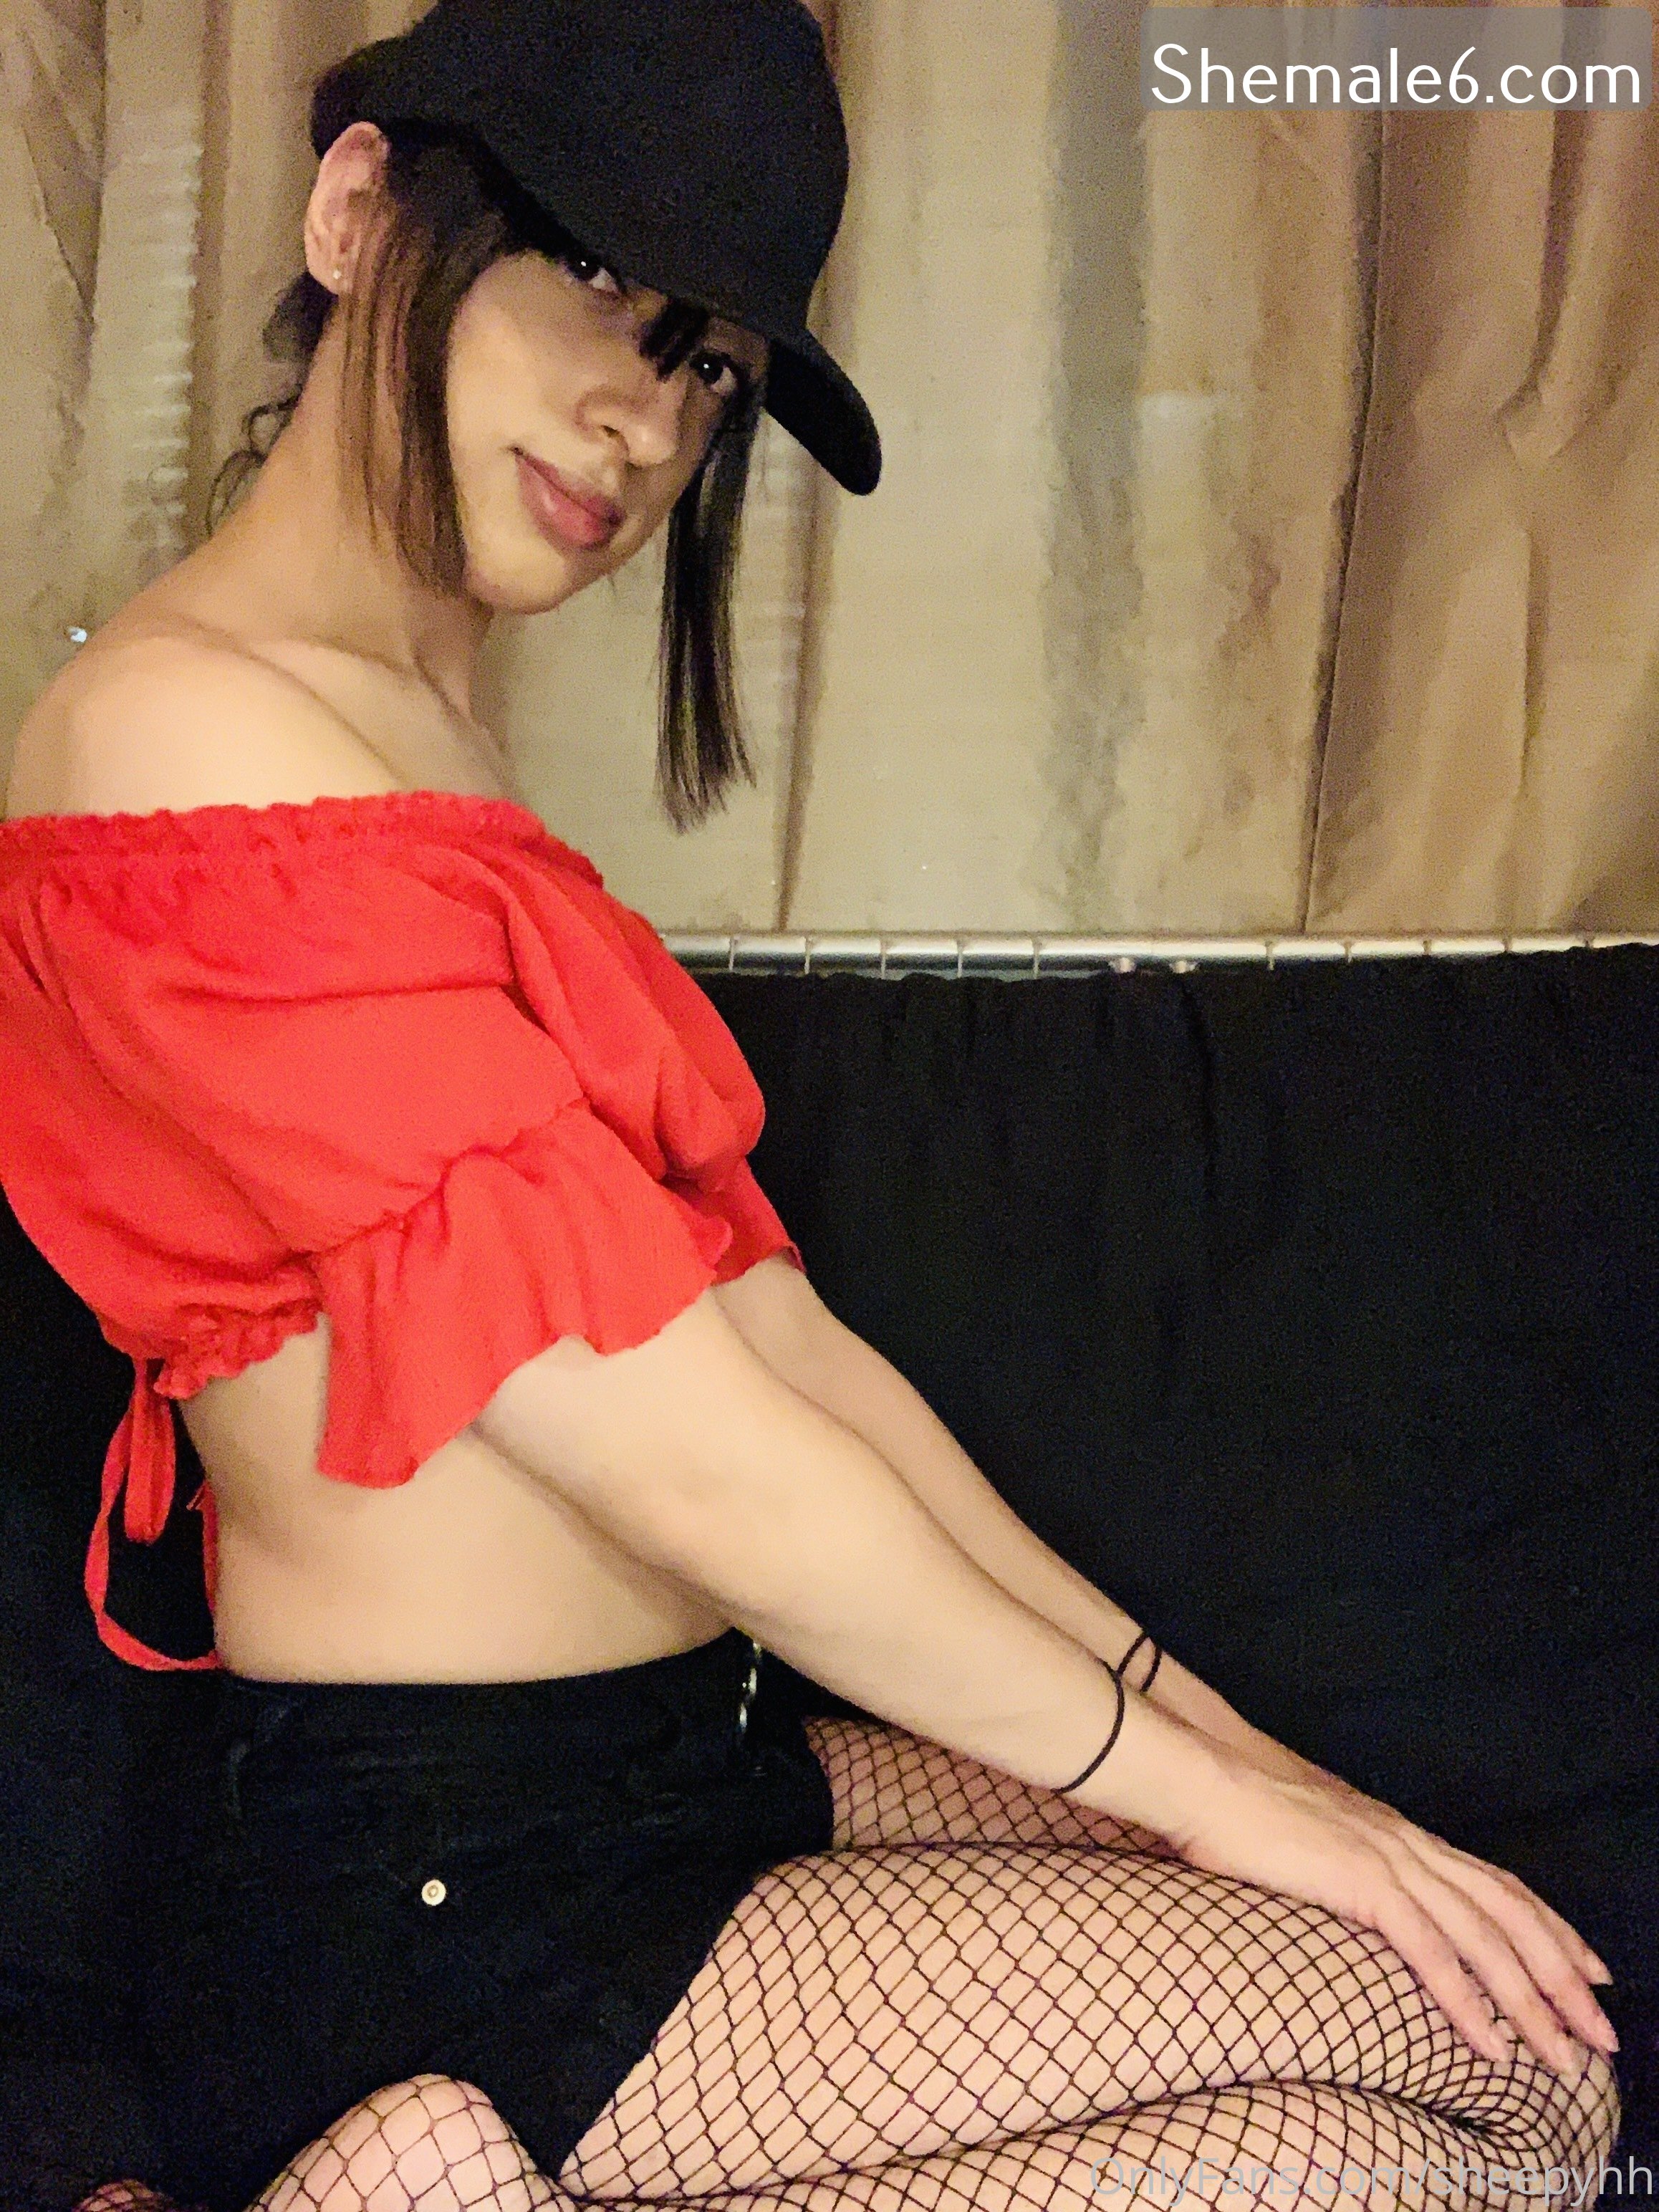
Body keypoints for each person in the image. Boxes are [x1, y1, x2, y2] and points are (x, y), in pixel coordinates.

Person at [0, 2, 1621, 2206]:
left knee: (1515, 2057)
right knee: (1451, 2100)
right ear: (359, 209)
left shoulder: (421, 758)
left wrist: (1243, 1757)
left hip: (691, 1776)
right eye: (594, 279)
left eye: (706, 364)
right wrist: (1225, 1806)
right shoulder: (181, 747)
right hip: (445, 1901)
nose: (647, 417)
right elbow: (683, 1449)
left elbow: (792, 1356)